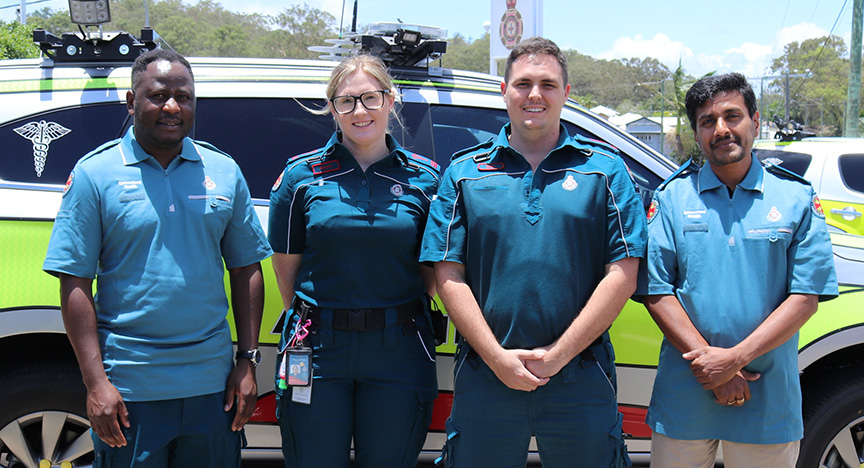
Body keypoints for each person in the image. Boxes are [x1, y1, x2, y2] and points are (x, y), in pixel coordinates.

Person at [420, 37, 645, 468]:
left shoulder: (604, 170)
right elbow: (447, 275)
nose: (535, 94)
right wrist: (498, 358)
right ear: (504, 91)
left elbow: (623, 273)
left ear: (565, 93)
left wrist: (558, 355)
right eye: (523, 83)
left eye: (548, 83)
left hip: (580, 374)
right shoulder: (464, 173)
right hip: (487, 374)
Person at [42, 49, 272, 467]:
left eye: (184, 97)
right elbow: (74, 282)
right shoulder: (96, 173)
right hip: (131, 388)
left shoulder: (223, 170)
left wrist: (247, 361)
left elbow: (246, 268)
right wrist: (96, 384)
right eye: (158, 96)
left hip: (212, 386)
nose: (172, 107)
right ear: (132, 102)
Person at [640, 72, 838, 467]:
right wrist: (713, 367)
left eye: (733, 116)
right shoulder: (672, 198)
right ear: (696, 133)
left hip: (767, 397)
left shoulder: (795, 198)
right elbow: (656, 290)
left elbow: (806, 297)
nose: (721, 129)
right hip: (686, 397)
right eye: (707, 121)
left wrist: (733, 360)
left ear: (756, 121)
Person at [267, 54, 440, 468]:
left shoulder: (425, 179)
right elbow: (286, 271)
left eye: (370, 98)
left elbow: (432, 274)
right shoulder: (301, 177)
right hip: (319, 346)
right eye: (346, 101)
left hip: (399, 348)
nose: (359, 111)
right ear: (331, 107)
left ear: (392, 99)